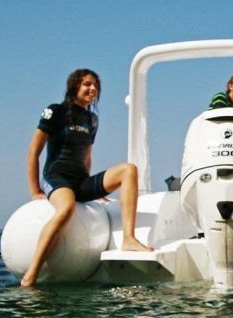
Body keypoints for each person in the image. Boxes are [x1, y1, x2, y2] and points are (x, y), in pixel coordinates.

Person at [21, 69, 152, 287]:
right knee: (67, 208)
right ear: (75, 86)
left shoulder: (92, 120)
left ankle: (129, 239)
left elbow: (87, 157)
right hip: (57, 177)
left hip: (81, 181)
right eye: (87, 84)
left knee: (129, 170)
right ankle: (31, 274)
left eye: (96, 86)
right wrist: (35, 191)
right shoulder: (55, 111)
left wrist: (94, 191)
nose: (93, 89)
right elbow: (33, 151)